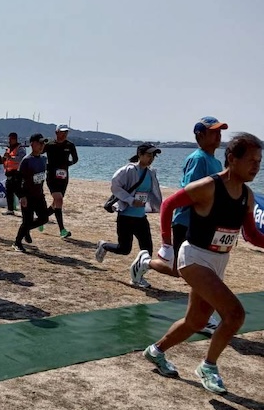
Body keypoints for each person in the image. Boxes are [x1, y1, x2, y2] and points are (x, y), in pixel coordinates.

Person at [142, 133, 264, 394]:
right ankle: (208, 366)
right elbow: (168, 205)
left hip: (219, 261)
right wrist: (166, 244)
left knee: (196, 321)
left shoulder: (247, 195)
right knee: (235, 314)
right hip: (194, 258)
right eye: (251, 160)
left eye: (259, 161)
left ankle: (156, 350)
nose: (257, 166)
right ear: (232, 158)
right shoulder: (209, 186)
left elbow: (252, 235)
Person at [130, 117, 228, 314]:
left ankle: (145, 262)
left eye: (220, 132)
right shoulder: (198, 159)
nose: (218, 135)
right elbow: (190, 192)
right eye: (213, 132)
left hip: (205, 224)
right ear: (200, 135)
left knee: (188, 269)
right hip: (187, 222)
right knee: (185, 270)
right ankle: (146, 262)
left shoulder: (216, 163)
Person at [95, 144, 163, 284]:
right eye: (148, 155)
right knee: (124, 249)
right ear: (140, 155)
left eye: (153, 156)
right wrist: (131, 200)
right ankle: (104, 246)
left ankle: (137, 278)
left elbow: (153, 193)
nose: (151, 158)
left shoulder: (151, 173)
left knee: (147, 251)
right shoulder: (128, 170)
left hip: (141, 218)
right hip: (125, 217)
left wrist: (159, 206)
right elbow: (115, 186)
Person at [12, 134, 49, 252]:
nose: (42, 145)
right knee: (27, 221)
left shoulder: (43, 159)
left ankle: (26, 230)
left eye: (43, 143)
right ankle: (17, 242)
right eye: (40, 143)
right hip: (27, 196)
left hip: (39, 195)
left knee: (44, 218)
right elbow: (17, 181)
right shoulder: (26, 161)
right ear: (32, 144)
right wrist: (21, 196)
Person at [44, 124, 78, 238]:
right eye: (62, 132)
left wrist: (67, 164)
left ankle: (41, 218)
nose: (64, 135)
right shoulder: (50, 145)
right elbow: (38, 152)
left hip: (63, 177)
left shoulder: (70, 145)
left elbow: (75, 159)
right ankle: (62, 230)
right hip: (51, 177)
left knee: (56, 203)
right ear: (56, 132)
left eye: (66, 132)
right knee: (59, 200)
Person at [2, 132, 27, 215]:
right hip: (9, 172)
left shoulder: (20, 148)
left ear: (15, 139)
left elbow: (21, 159)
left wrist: (10, 157)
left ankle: (26, 208)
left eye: (11, 139)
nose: (9, 141)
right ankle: (10, 209)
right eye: (8, 139)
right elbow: (6, 159)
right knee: (9, 191)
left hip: (17, 173)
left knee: (18, 191)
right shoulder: (9, 148)